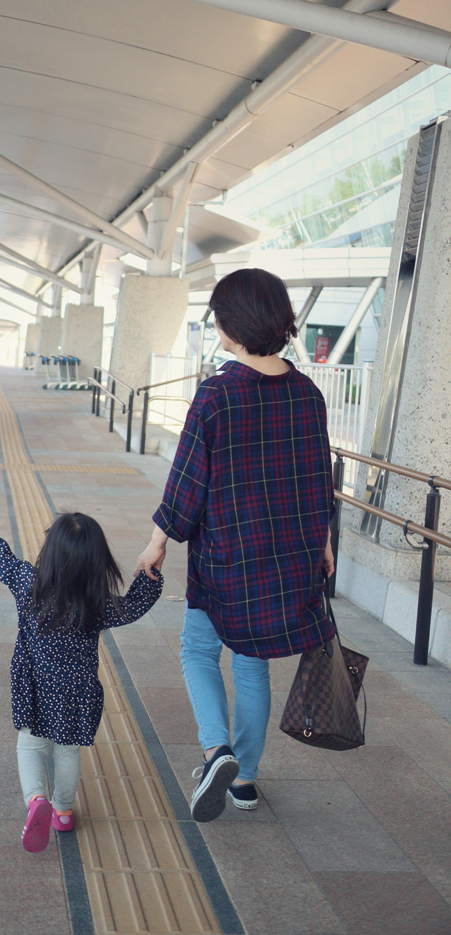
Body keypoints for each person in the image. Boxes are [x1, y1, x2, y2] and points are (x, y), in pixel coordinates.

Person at [136, 268, 335, 824]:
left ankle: (215, 751)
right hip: (286, 558)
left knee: (198, 651)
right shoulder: (307, 393)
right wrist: (322, 542)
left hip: (226, 557)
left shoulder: (218, 394)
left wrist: (157, 541)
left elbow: (187, 481)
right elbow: (319, 479)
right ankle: (244, 780)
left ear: (234, 324)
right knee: (252, 665)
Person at [0, 512, 163, 851]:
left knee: (30, 746)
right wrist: (150, 575)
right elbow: (133, 606)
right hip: (76, 693)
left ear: (50, 552)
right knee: (67, 750)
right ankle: (63, 811)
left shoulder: (28, 583)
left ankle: (36, 799)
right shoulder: (97, 603)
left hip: (34, 686)